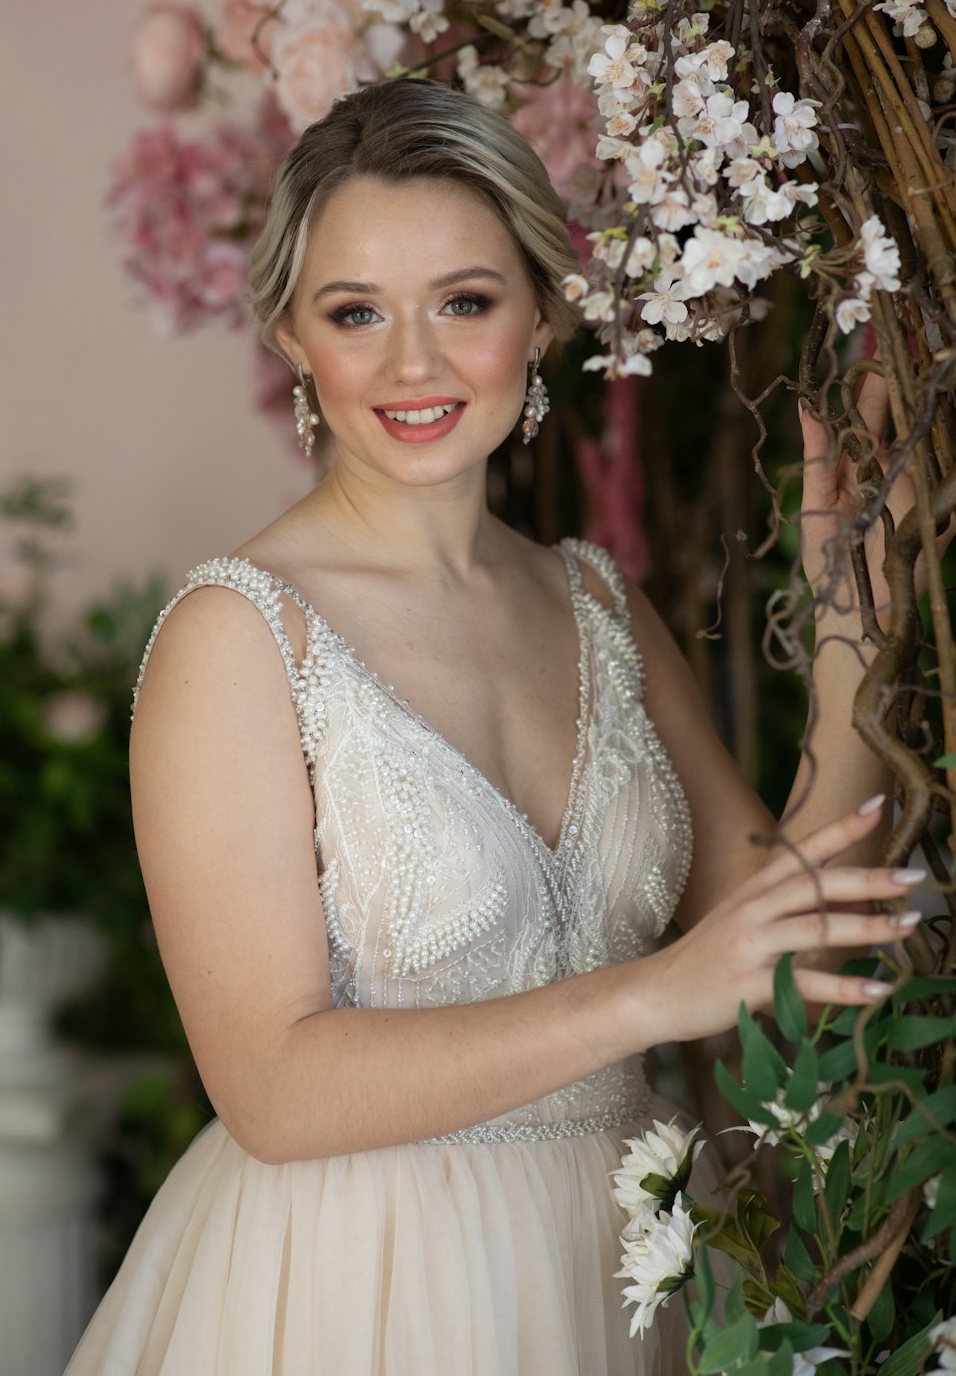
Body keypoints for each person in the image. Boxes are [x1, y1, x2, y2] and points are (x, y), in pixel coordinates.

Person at [64, 78, 919, 1375]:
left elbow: (787, 951)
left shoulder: (597, 607)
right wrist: (648, 997)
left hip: (621, 1275)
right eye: (358, 314)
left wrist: (857, 634)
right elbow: (274, 1091)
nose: (413, 365)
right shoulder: (236, 641)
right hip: (360, 1287)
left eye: (464, 301)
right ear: (292, 337)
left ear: (539, 310)